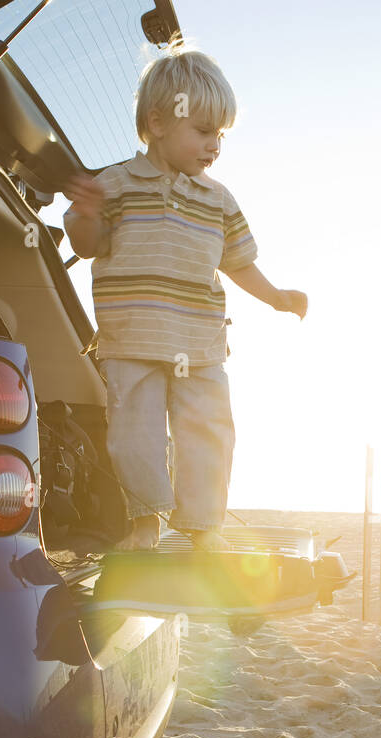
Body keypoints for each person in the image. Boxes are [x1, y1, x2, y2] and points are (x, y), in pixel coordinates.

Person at [62, 46, 307, 551]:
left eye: (220, 135)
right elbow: (88, 247)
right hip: (131, 341)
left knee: (209, 434)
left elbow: (237, 262)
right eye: (202, 131)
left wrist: (277, 297)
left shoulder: (218, 199)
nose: (214, 145)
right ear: (157, 121)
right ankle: (145, 525)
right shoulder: (116, 185)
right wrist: (86, 213)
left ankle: (204, 528)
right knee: (136, 437)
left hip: (200, 344)